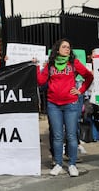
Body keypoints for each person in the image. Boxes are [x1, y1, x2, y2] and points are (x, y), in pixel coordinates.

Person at [35, 38, 93, 177]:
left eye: (69, 47)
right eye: (64, 47)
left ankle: (72, 164)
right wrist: (37, 67)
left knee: (72, 135)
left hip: (71, 104)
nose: (67, 49)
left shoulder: (74, 63)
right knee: (57, 135)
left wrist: (80, 91)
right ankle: (59, 164)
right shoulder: (50, 64)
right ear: (57, 49)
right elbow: (41, 81)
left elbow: (88, 76)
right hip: (53, 104)